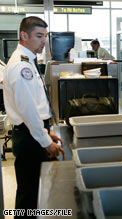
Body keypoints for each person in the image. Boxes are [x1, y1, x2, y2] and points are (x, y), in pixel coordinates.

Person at [3, 16, 65, 217]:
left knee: (33, 193)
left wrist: (46, 132)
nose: (43, 41)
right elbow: (29, 112)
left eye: (45, 36)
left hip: (33, 133)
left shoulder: (27, 59)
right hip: (29, 137)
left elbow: (34, 107)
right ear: (24, 35)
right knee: (28, 198)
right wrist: (46, 142)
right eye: (39, 36)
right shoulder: (22, 67)